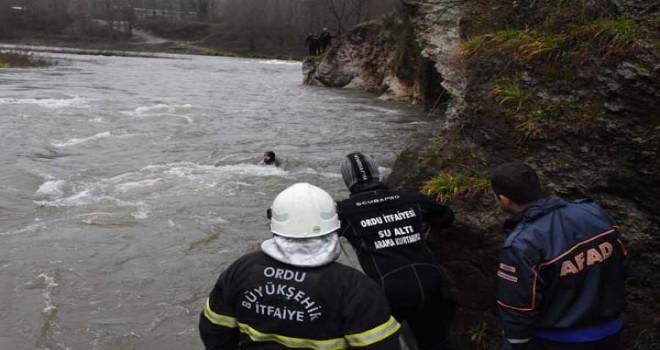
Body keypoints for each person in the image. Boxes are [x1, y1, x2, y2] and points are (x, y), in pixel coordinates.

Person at [199, 182, 402, 349]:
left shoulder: (242, 269)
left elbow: (214, 330)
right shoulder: (354, 286)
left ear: (274, 223)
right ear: (334, 224)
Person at [491, 162, 627, 350]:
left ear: (504, 200)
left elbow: (518, 310)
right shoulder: (592, 211)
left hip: (558, 340)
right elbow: (622, 260)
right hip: (611, 329)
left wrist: (514, 345)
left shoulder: (520, 246)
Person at [337, 152, 455, 350]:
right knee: (434, 343)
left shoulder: (345, 211)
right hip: (430, 283)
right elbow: (447, 218)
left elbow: (322, 241)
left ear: (347, 180)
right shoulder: (411, 198)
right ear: (377, 174)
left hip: (389, 290)